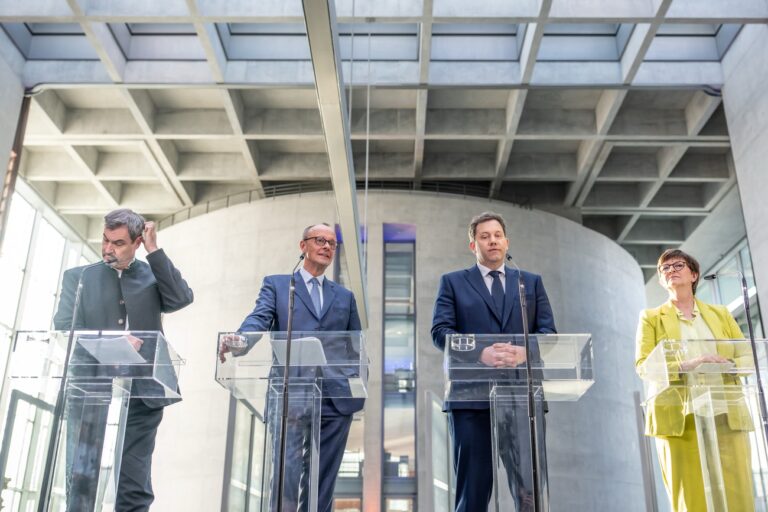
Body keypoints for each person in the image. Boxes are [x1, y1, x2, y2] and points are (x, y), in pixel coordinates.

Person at [53, 208, 194, 512]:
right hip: (90, 384)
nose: (108, 248)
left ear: (137, 242)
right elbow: (64, 327)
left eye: (117, 243)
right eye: (105, 240)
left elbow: (181, 298)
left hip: (144, 388)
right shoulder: (79, 277)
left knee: (134, 477)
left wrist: (155, 251)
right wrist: (110, 341)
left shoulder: (153, 275)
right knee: (81, 472)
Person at [221, 223, 362, 512]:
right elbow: (258, 319)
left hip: (335, 399)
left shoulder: (344, 297)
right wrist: (240, 340)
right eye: (320, 240)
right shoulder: (278, 284)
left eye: (332, 244)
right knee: (287, 473)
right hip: (290, 394)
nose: (327, 247)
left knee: (324, 481)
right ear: (303, 246)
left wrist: (355, 381)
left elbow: (355, 346)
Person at [431, 211, 556, 512]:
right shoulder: (452, 283)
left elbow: (549, 334)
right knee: (472, 495)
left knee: (530, 494)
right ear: (473, 245)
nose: (492, 241)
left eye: (497, 235)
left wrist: (526, 351)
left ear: (506, 241)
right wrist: (479, 353)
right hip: (470, 402)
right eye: (484, 237)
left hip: (522, 399)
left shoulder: (530, 283)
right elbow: (440, 332)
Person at [635, 249, 754, 511]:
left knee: (738, 493)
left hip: (726, 412)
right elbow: (644, 367)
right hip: (679, 417)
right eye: (664, 269)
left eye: (678, 265)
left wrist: (728, 365)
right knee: (689, 496)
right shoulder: (651, 318)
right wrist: (688, 365)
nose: (671, 270)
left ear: (694, 274)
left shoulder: (721, 314)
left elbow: (748, 355)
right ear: (660, 280)